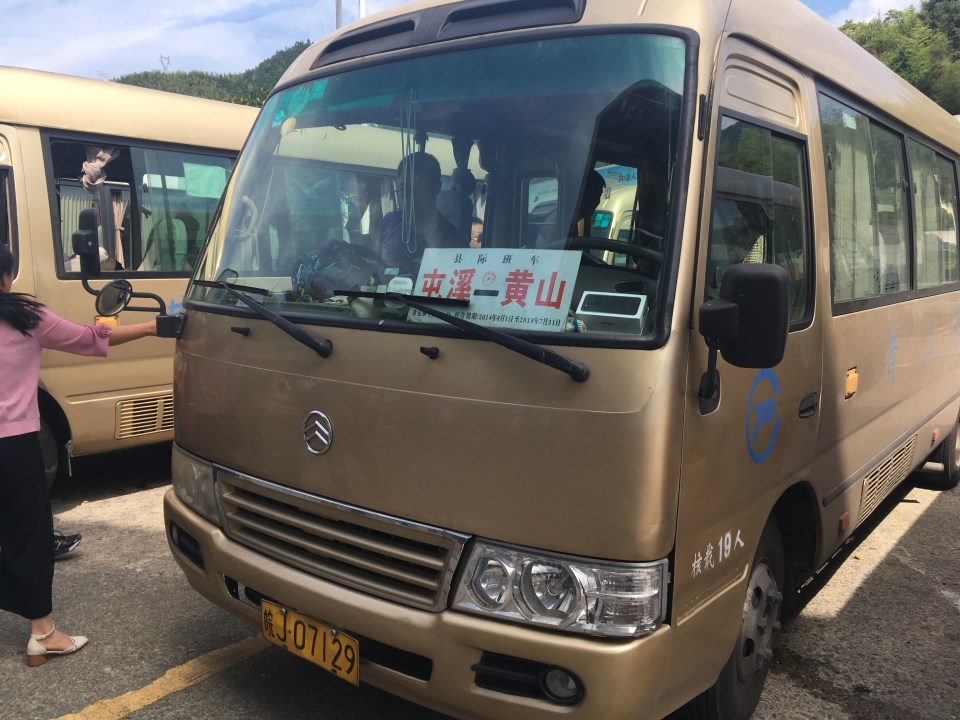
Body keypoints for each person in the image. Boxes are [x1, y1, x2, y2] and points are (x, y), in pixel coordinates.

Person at [0, 242, 161, 666]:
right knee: (28, 534)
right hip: (14, 446)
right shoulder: (27, 317)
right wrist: (151, 327)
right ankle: (43, 634)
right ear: (6, 278)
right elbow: (90, 338)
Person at [379, 152, 464, 276]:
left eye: (418, 191)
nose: (408, 199)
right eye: (402, 190)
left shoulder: (455, 241)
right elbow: (375, 265)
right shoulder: (390, 222)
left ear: (437, 188)